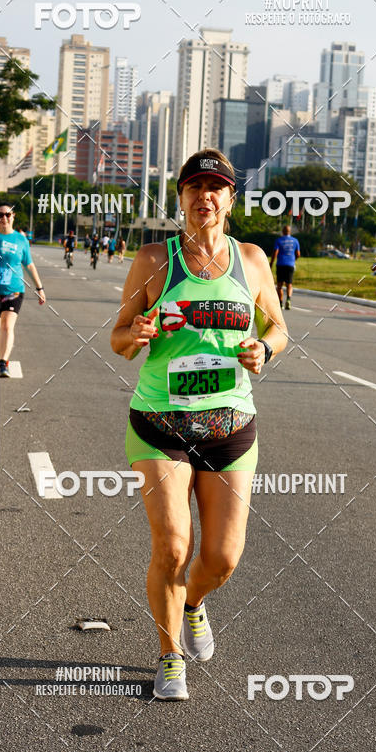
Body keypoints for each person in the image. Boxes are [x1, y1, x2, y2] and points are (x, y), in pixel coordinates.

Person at [111, 148, 287, 700]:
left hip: (230, 427)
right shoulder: (153, 260)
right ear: (181, 197)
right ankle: (169, 657)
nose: (204, 196)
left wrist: (264, 349)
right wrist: (136, 333)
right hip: (159, 424)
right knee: (172, 546)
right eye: (194, 187)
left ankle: (192, 602)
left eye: (216, 188)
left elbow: (278, 328)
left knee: (223, 558)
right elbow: (118, 338)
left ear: (231, 200)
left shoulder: (251, 260)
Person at [0, 202, 45, 378]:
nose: (4, 218)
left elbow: (29, 264)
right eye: (0, 215)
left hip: (14, 290)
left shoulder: (20, 240)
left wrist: (39, 288)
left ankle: (3, 363)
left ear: (13, 217)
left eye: (7, 214)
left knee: (7, 326)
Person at [270, 224, 300, 310]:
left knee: (279, 285)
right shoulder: (295, 241)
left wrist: (271, 263)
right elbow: (298, 254)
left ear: (283, 231)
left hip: (280, 264)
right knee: (289, 284)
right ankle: (288, 299)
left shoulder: (279, 240)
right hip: (290, 264)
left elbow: (275, 252)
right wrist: (294, 259)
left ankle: (280, 303)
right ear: (290, 232)